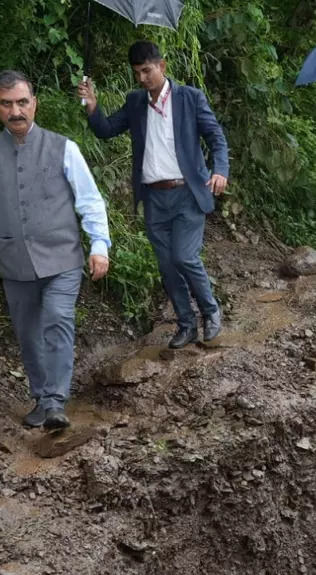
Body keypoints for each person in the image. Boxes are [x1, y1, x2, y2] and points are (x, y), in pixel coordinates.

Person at [0, 70, 111, 430]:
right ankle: (41, 397)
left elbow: (90, 201)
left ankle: (55, 402)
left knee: (57, 318)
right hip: (15, 261)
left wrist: (99, 245)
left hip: (63, 257)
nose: (16, 111)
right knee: (27, 331)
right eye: (7, 104)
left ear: (35, 103)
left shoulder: (64, 148)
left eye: (22, 102)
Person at [79, 41, 227, 350]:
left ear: (162, 66)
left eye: (147, 70)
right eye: (137, 73)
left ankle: (211, 312)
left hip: (188, 193)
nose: (143, 78)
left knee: (184, 256)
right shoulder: (135, 103)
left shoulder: (190, 98)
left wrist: (220, 170)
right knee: (167, 266)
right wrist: (93, 105)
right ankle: (186, 325)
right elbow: (106, 130)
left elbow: (216, 137)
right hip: (154, 198)